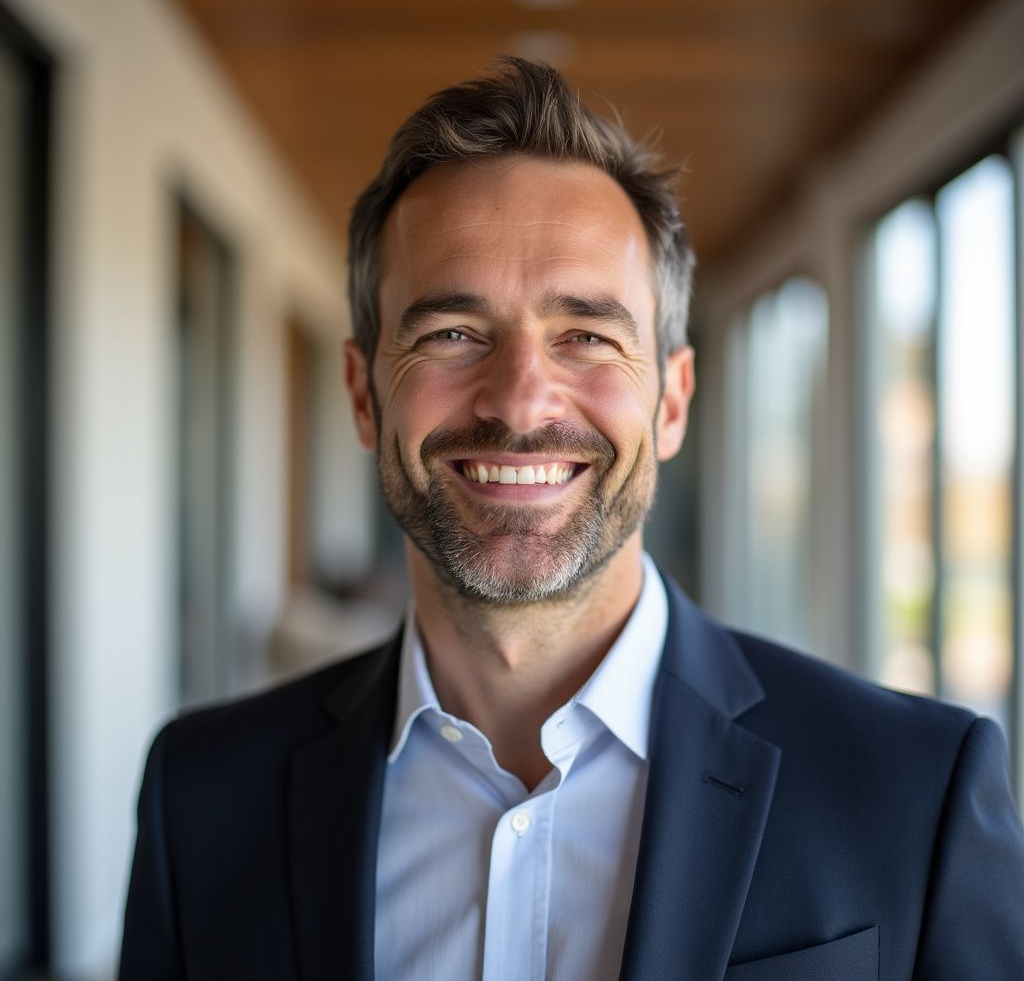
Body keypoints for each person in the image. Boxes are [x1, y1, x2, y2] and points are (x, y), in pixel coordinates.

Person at [119, 58, 1024, 981]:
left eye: (586, 335)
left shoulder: (914, 790)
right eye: (452, 334)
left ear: (672, 402)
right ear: (363, 394)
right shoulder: (200, 798)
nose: (519, 402)